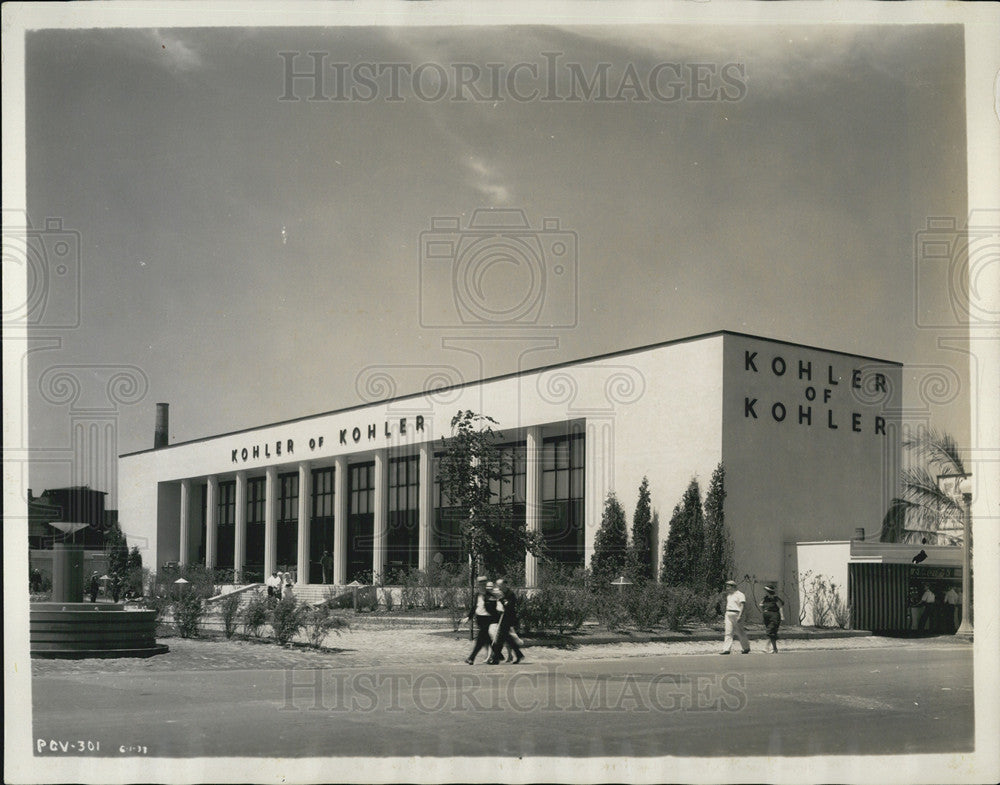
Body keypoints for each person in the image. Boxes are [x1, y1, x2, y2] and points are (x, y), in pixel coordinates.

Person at [490, 579, 524, 665]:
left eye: (500, 585)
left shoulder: (510, 594)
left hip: (508, 618)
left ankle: (496, 659)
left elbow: (508, 605)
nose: (498, 587)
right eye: (497, 585)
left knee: (501, 638)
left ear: (505, 585)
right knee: (507, 638)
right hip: (502, 617)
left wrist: (502, 599)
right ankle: (519, 654)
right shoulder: (501, 593)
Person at [465, 577, 497, 665]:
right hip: (479, 619)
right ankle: (497, 656)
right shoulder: (477, 595)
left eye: (483, 584)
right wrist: (468, 617)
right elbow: (474, 607)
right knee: (487, 639)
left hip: (488, 619)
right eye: (479, 584)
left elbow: (494, 609)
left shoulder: (490, 596)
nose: (481, 586)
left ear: (485, 585)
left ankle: (471, 658)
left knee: (480, 640)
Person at [720, 580, 750, 655]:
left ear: (733, 586)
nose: (727, 588)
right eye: (727, 586)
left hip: (737, 613)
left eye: (728, 586)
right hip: (728, 613)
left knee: (740, 632)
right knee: (728, 632)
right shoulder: (729, 595)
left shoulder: (740, 594)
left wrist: (740, 615)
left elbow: (742, 605)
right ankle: (726, 649)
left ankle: (746, 648)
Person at [759, 584, 784, 653]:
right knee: (772, 633)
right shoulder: (765, 598)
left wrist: (782, 616)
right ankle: (775, 649)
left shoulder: (775, 598)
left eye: (766, 590)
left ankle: (766, 647)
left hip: (774, 616)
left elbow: (780, 606)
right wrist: (763, 610)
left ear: (769, 591)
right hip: (767, 616)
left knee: (771, 631)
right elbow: (761, 605)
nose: (765, 592)